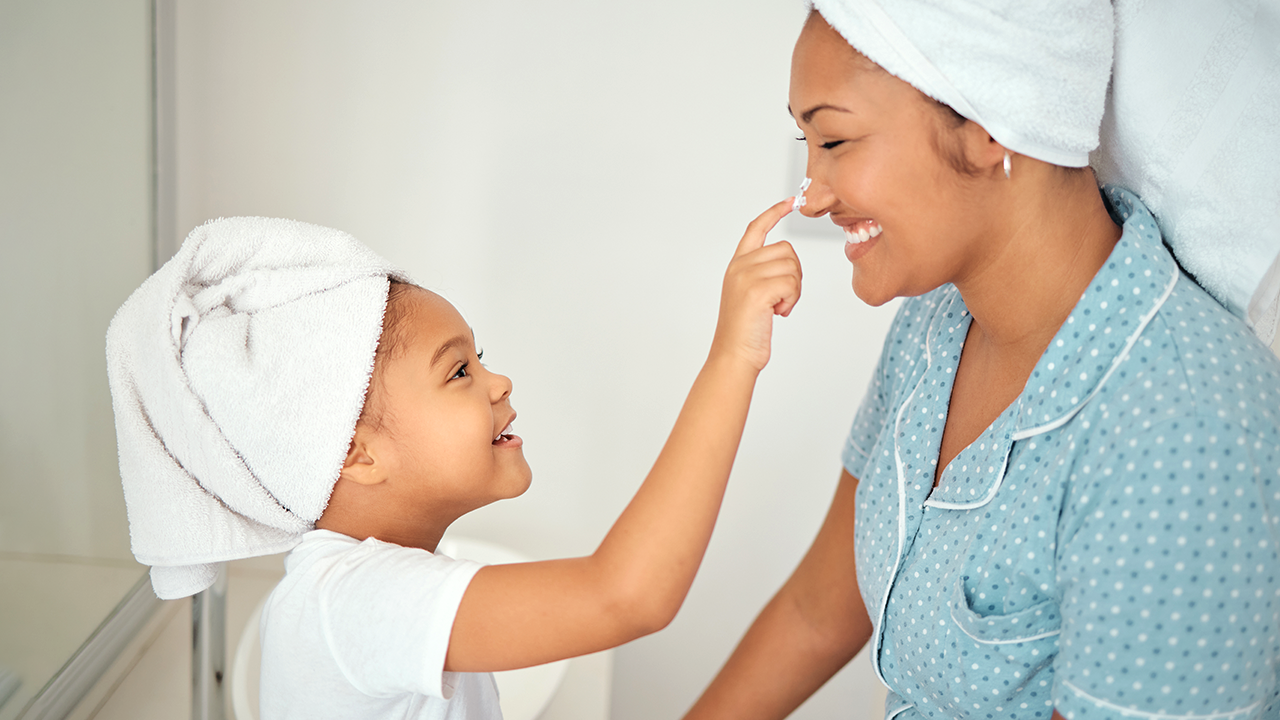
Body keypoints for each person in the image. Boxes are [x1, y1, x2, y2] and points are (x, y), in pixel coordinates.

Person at [683, 3, 1280, 720]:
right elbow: (818, 613)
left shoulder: (1184, 434)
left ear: (990, 125)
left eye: (835, 140)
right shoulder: (932, 328)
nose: (811, 196)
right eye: (805, 141)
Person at [105, 207, 800, 719]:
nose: (499, 384)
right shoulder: (347, 603)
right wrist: (733, 358)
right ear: (355, 452)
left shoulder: (362, 589)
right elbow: (627, 594)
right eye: (460, 371)